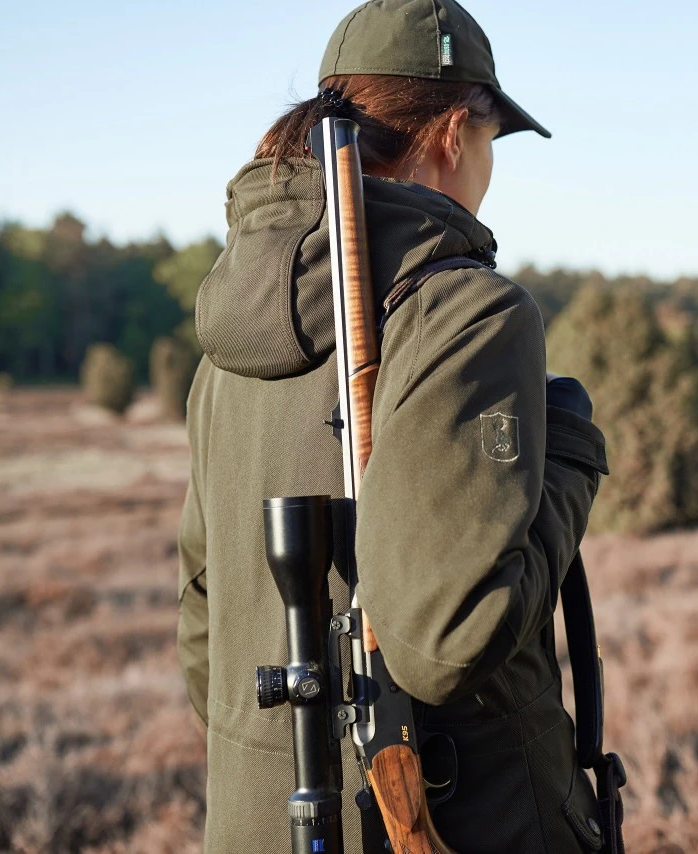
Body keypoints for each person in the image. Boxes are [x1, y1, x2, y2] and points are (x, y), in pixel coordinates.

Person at [175, 1, 613, 851]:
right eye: (491, 138)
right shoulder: (469, 315)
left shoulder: (225, 350)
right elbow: (447, 642)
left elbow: (204, 629)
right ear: (453, 134)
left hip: (253, 824)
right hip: (473, 822)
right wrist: (568, 455)